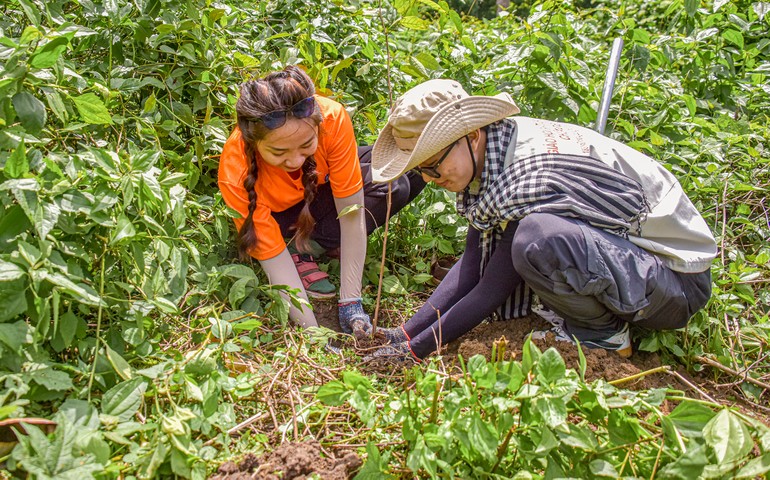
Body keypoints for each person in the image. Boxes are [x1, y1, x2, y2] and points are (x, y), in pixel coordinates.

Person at [366, 79, 716, 361]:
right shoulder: (495, 150)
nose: (428, 178)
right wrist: (403, 334)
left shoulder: (526, 175)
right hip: (632, 264)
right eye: (420, 170)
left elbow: (491, 287)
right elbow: (472, 267)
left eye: (432, 165)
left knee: (536, 239)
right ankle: (597, 315)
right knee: (535, 238)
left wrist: (414, 351)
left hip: (676, 285)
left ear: (471, 136)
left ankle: (604, 336)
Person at [218, 66, 425, 337]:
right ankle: (300, 248)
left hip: (315, 190)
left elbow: (351, 214)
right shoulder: (236, 169)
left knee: (404, 170)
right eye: (279, 152)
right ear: (254, 142)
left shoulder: (331, 117)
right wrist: (313, 331)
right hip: (282, 218)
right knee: (393, 184)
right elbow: (272, 261)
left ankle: (321, 243)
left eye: (306, 145)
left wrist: (351, 302)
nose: (294, 160)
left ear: (317, 125)